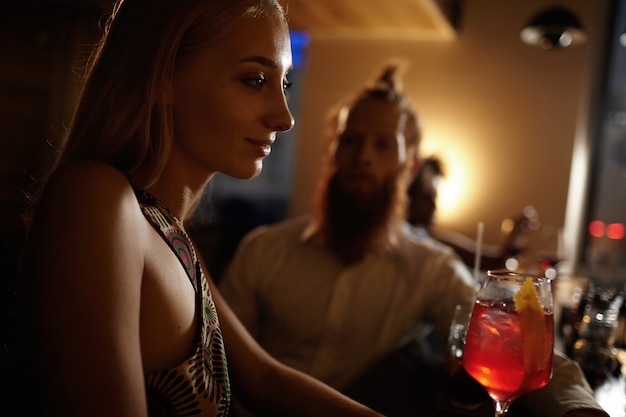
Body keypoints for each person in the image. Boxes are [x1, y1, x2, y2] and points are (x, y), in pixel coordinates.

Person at [17, 1, 386, 416]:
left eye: (283, 85)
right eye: (255, 79)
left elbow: (264, 380)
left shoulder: (170, 235)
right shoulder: (96, 197)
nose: (285, 118)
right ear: (161, 78)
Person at [219, 63, 610, 417]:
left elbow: (515, 345)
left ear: (411, 167)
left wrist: (579, 410)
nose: (363, 157)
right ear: (331, 151)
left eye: (383, 145)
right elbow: (217, 360)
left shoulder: (429, 270)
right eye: (351, 141)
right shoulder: (262, 250)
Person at [406, 156, 540, 271]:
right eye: (426, 197)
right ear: (408, 197)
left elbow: (492, 261)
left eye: (435, 197)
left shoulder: (427, 236)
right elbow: (490, 262)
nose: (434, 205)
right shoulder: (415, 240)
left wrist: (511, 245)